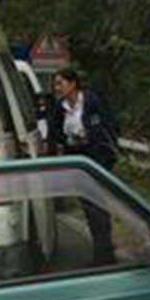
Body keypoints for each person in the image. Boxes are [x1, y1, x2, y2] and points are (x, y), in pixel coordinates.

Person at [45, 69, 120, 265]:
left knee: (98, 207)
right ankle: (103, 252)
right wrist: (69, 142)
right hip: (78, 164)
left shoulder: (93, 102)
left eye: (60, 83)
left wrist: (105, 156)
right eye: (55, 84)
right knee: (89, 207)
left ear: (73, 84)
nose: (57, 88)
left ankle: (104, 255)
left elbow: (110, 128)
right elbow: (54, 134)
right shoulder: (59, 108)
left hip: (98, 162)